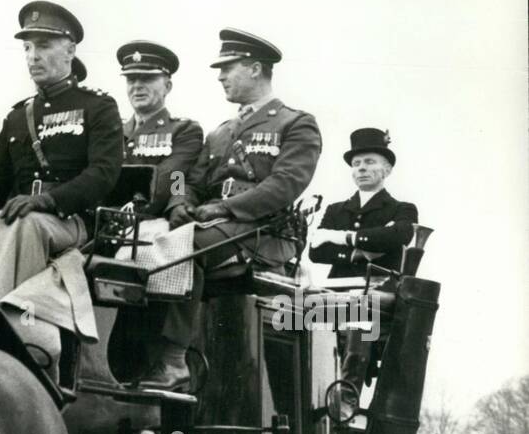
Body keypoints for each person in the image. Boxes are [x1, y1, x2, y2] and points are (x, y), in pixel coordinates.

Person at [0, 1, 122, 375]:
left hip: (69, 220)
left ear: (70, 50)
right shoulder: (19, 116)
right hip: (22, 212)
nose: (34, 56)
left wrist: (49, 199)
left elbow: (103, 173)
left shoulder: (97, 107)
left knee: (28, 225)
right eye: (28, 48)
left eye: (45, 46)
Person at [145, 28, 322, 389]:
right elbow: (188, 179)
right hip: (218, 223)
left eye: (228, 67)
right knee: (145, 244)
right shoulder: (220, 132)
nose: (221, 76)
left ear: (256, 69)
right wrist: (181, 202)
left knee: (185, 247)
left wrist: (227, 209)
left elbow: (284, 185)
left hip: (263, 233)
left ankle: (174, 358)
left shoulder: (295, 123)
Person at [308, 128, 417, 278]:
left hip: (380, 293)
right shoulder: (336, 209)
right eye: (356, 163)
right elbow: (315, 252)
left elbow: (398, 237)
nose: (362, 168)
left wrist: (338, 237)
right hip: (335, 290)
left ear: (387, 170)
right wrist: (357, 254)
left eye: (369, 162)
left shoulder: (403, 209)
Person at [117, 40, 203, 217]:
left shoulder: (184, 130)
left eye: (147, 78)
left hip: (148, 218)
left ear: (167, 87)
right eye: (131, 79)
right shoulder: (113, 130)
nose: (137, 86)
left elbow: (175, 178)